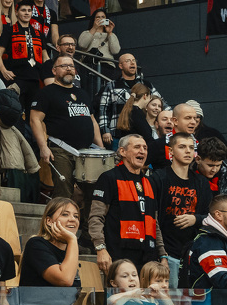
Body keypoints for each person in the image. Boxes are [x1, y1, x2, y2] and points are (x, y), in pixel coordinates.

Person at [15, 198, 83, 305]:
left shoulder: (70, 252)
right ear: (49, 221)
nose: (72, 219)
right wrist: (73, 240)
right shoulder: (36, 245)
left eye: (76, 216)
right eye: (65, 214)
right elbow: (65, 280)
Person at [29, 54, 102, 200]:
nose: (68, 69)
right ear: (54, 70)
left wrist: (101, 148)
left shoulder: (82, 93)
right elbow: (34, 120)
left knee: (91, 194)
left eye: (71, 66)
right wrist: (43, 147)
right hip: (60, 150)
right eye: (64, 66)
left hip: (86, 152)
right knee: (63, 192)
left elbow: (93, 121)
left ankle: (83, 217)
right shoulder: (46, 92)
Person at [88, 134, 164, 273]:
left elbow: (155, 223)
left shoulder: (150, 183)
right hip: (119, 258)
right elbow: (96, 217)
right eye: (137, 147)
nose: (142, 151)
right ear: (122, 151)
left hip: (148, 260)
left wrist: (162, 254)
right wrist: (100, 248)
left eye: (145, 148)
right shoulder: (109, 178)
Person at [156, 132, 209, 267]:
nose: (188, 151)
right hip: (166, 251)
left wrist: (195, 219)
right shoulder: (159, 178)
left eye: (191, 147)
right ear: (171, 151)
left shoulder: (201, 182)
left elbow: (212, 216)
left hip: (192, 252)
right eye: (182, 147)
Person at [0, 0, 47, 109]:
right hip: (16, 79)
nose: (26, 13)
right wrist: (3, 71)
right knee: (16, 112)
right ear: (16, 12)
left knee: (33, 113)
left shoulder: (38, 33)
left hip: (35, 79)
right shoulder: (9, 30)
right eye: (23, 10)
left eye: (29, 10)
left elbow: (45, 57)